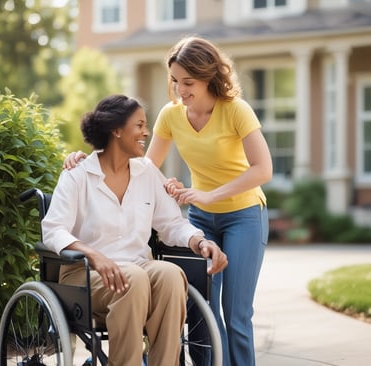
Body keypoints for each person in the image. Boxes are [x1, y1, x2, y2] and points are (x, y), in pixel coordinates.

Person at [64, 36, 272, 366]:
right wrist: (89, 158)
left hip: (243, 214)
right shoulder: (172, 115)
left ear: (209, 77)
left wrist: (208, 194)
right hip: (202, 218)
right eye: (175, 81)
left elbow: (263, 169)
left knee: (236, 315)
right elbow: (140, 165)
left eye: (188, 82)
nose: (180, 90)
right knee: (200, 309)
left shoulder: (236, 110)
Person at [43, 94, 228, 366]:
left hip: (137, 267)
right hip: (84, 274)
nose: (146, 132)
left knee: (170, 275)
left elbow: (171, 224)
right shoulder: (78, 175)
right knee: (134, 279)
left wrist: (199, 242)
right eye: (139, 125)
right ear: (116, 130)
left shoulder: (147, 172)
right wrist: (93, 254)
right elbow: (53, 229)